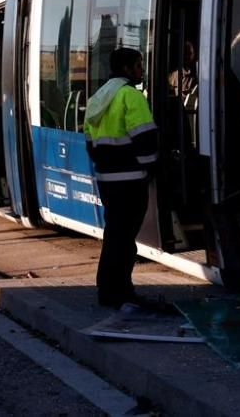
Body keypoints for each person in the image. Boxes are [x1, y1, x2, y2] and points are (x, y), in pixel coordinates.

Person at [84, 47, 159, 309]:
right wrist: (151, 168)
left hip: (107, 180)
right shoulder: (130, 96)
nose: (141, 71)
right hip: (131, 181)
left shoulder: (98, 98)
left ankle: (108, 290)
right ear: (127, 69)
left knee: (115, 235)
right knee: (125, 239)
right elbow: (145, 139)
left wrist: (107, 165)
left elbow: (91, 144)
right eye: (139, 66)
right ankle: (122, 292)